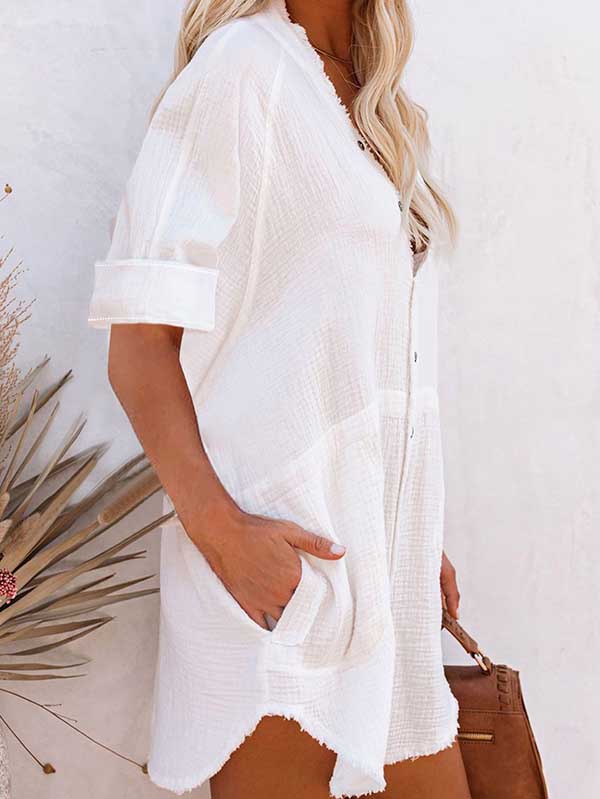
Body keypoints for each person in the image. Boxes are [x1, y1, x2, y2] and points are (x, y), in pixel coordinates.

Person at [87, 1, 470, 797]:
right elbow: (139, 341)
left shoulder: (380, 105)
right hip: (283, 595)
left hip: (379, 588)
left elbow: (355, 353)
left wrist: (405, 529)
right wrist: (223, 535)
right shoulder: (243, 68)